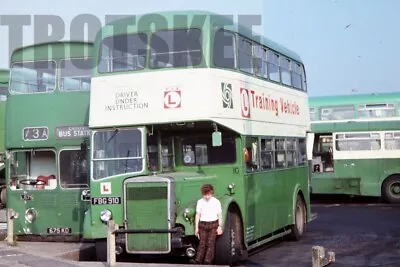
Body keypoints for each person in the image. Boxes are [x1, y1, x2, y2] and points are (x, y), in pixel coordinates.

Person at [190, 184, 223, 265]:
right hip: (203, 224)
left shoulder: (216, 202)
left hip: (213, 224)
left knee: (210, 243)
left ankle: (208, 260)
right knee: (202, 243)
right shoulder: (200, 202)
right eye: (205, 195)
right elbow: (198, 215)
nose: (207, 197)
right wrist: (196, 228)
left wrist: (219, 226)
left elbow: (219, 215)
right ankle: (198, 260)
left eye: (208, 195)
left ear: (212, 193)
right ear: (202, 194)